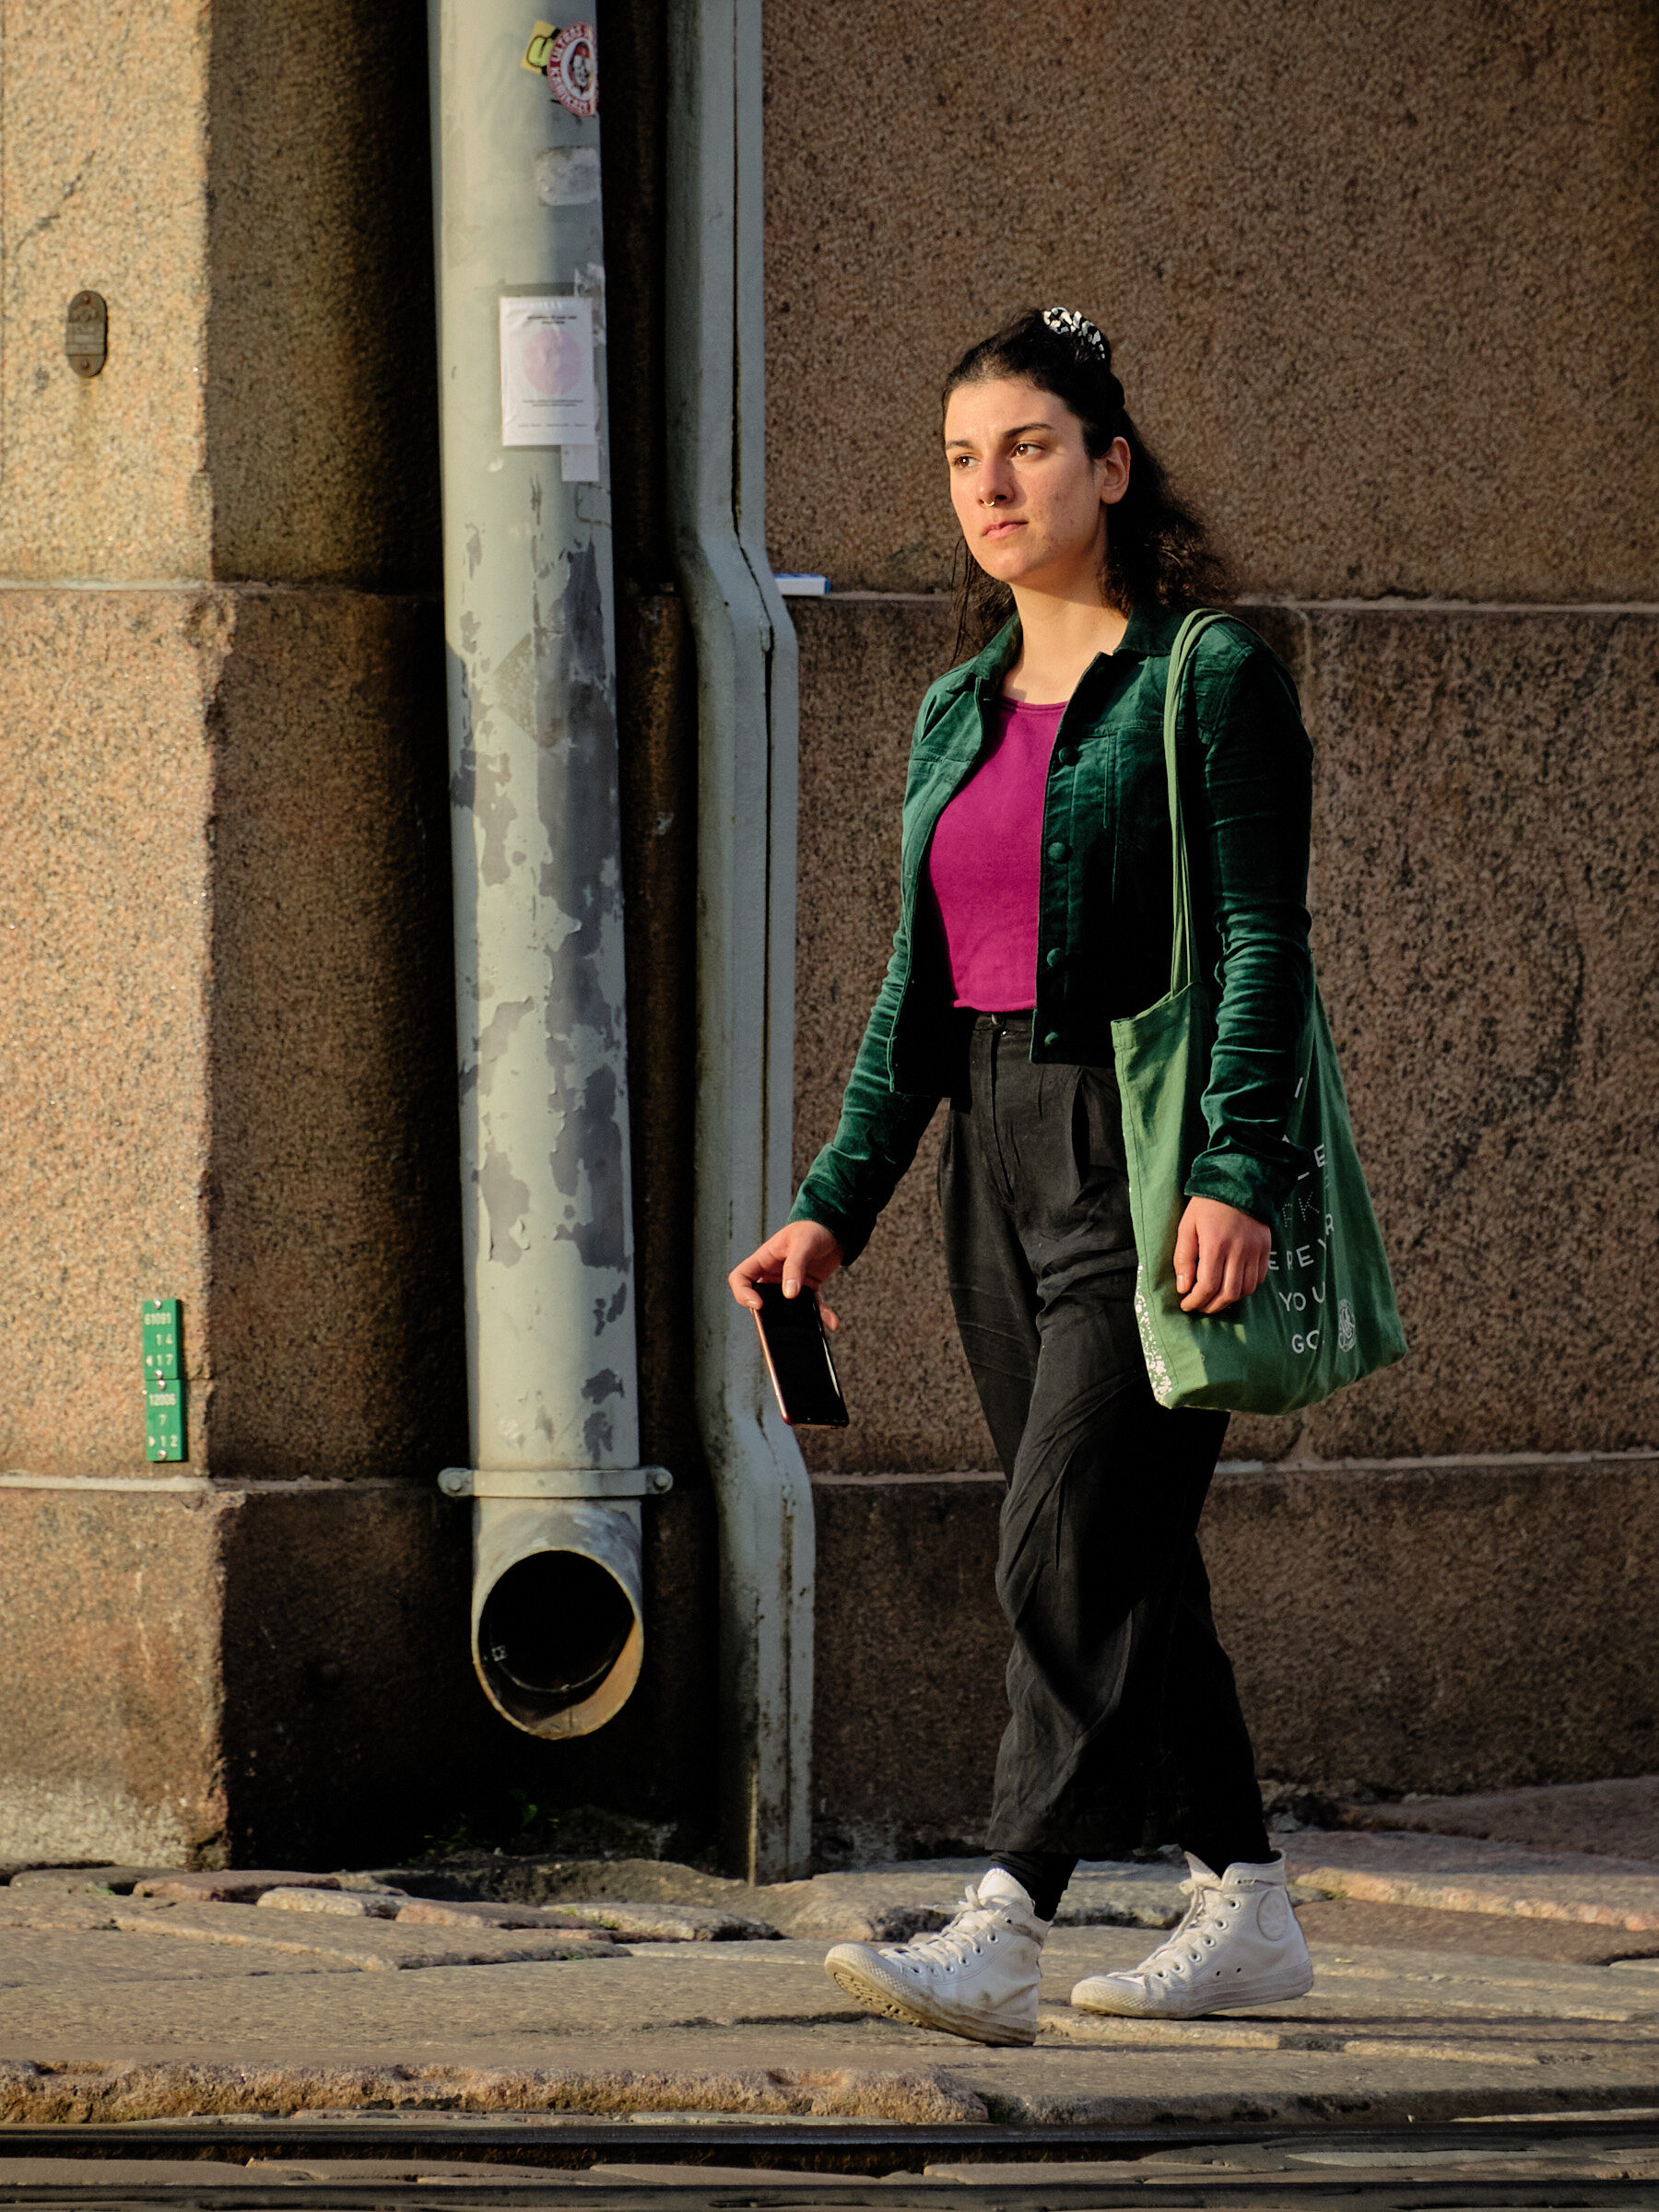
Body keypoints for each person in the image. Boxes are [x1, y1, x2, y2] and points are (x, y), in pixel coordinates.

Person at [729, 307, 1316, 2048]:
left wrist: (1235, 1169)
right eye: (963, 461)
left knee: (1058, 1532)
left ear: (1111, 467)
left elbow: (1264, 945)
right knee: (1117, 1542)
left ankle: (1004, 1921)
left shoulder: (1208, 675)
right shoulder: (956, 707)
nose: (993, 486)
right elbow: (915, 994)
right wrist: (834, 1204)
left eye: (1031, 449)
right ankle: (1247, 1900)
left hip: (1144, 1146)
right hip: (991, 1158)